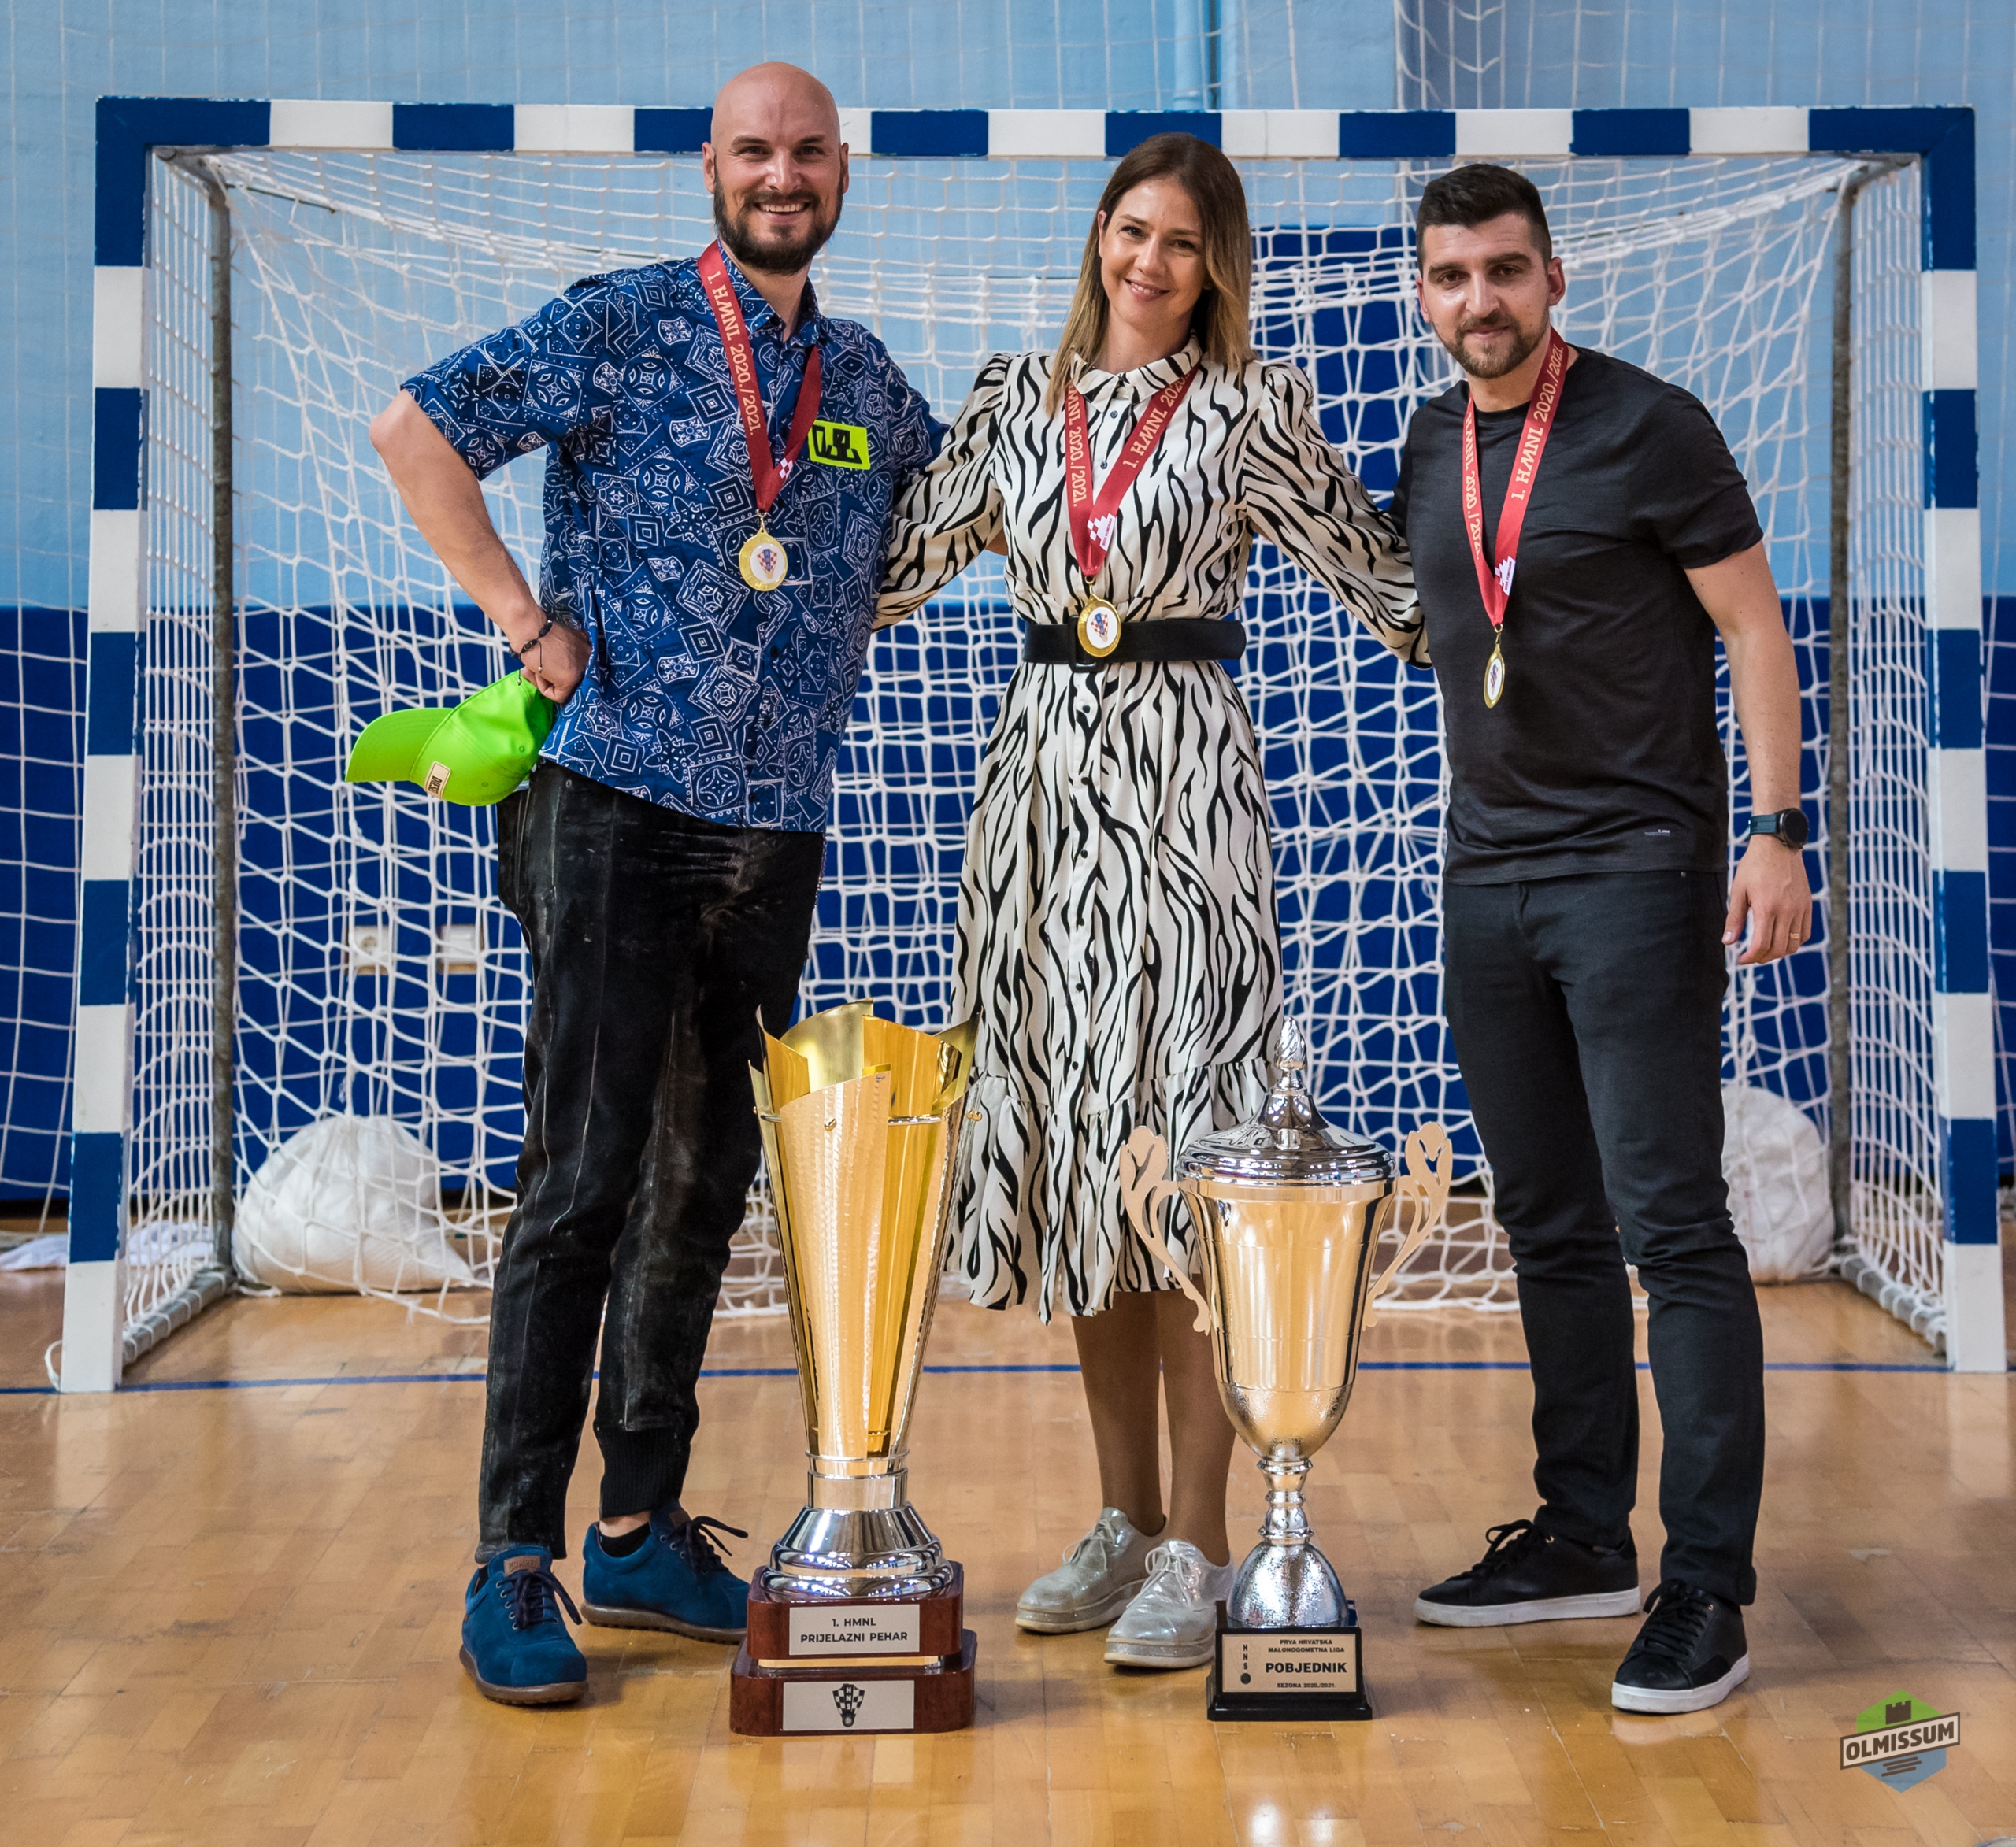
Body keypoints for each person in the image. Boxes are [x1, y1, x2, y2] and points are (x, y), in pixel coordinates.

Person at [369, 63, 941, 1706]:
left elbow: (963, 505)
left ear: (842, 172)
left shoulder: (864, 379)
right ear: (712, 168)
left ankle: (633, 1527)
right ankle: (512, 1557)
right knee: (584, 1181)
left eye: (808, 152)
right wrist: (521, 622)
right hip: (612, 808)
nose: (782, 175)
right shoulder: (617, 323)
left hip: (776, 830)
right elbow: (413, 428)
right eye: (754, 151)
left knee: (703, 1188)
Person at [876, 134, 1419, 1671]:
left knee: (1185, 1157)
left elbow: (1387, 584)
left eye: (1182, 241)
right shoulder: (1011, 402)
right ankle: (1120, 1520)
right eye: (1130, 230)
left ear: (1216, 264)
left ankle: (1201, 1539)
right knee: (1077, 1160)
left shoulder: (1250, 410)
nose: (1149, 262)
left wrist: (1554, 601)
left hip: (1187, 795)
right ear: (1097, 239)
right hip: (1039, 801)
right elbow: (891, 570)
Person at [1393, 164, 1811, 1715]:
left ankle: (1707, 1586)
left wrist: (1777, 830)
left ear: (1552, 279)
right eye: (1452, 276)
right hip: (1484, 877)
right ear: (1424, 293)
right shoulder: (1430, 438)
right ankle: (1580, 1534)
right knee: (1544, 1222)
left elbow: (1753, 627)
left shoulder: (1652, 425)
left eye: (1505, 270)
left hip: (1635, 871)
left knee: (1671, 1227)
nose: (1480, 301)